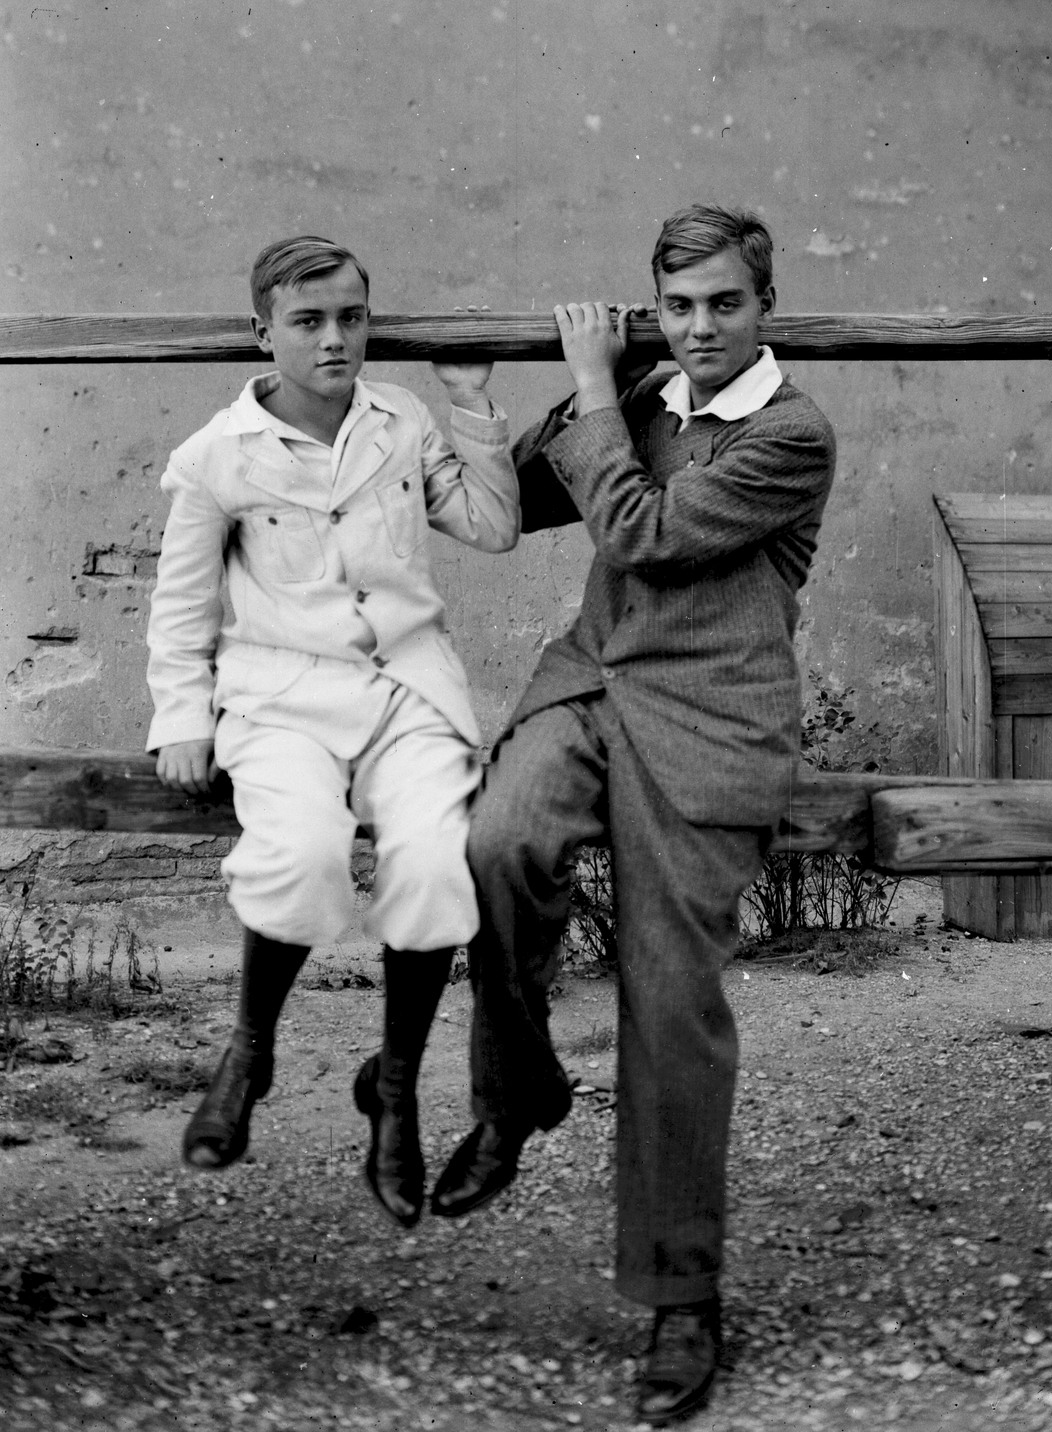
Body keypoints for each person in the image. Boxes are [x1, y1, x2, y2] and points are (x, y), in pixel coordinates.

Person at [429, 204, 837, 1425]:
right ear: (653, 309)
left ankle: (680, 1294)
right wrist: (474, 398)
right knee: (494, 845)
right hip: (590, 683)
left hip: (708, 720)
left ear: (763, 307)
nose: (700, 327)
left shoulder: (792, 433)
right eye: (678, 307)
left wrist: (597, 386)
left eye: (722, 303)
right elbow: (519, 508)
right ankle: (517, 1094)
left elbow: (641, 532)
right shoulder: (644, 397)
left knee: (669, 997)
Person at [146, 234, 518, 1229]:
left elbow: (489, 526)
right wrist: (179, 718)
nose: (334, 340)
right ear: (261, 332)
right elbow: (180, 607)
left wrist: (471, 400)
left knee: (438, 864)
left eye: (351, 317)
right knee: (302, 851)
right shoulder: (216, 456)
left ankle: (393, 1095)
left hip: (405, 687)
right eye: (307, 322)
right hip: (278, 696)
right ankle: (250, 1050)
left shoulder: (398, 424)